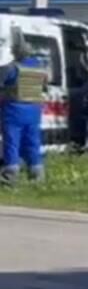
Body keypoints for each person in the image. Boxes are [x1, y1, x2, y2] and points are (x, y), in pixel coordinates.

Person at [0, 34, 53, 184]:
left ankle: (10, 176)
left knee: (12, 142)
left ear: (17, 52)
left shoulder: (12, 67)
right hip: (34, 110)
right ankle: (37, 175)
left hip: (14, 109)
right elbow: (44, 86)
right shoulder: (40, 67)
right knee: (32, 142)